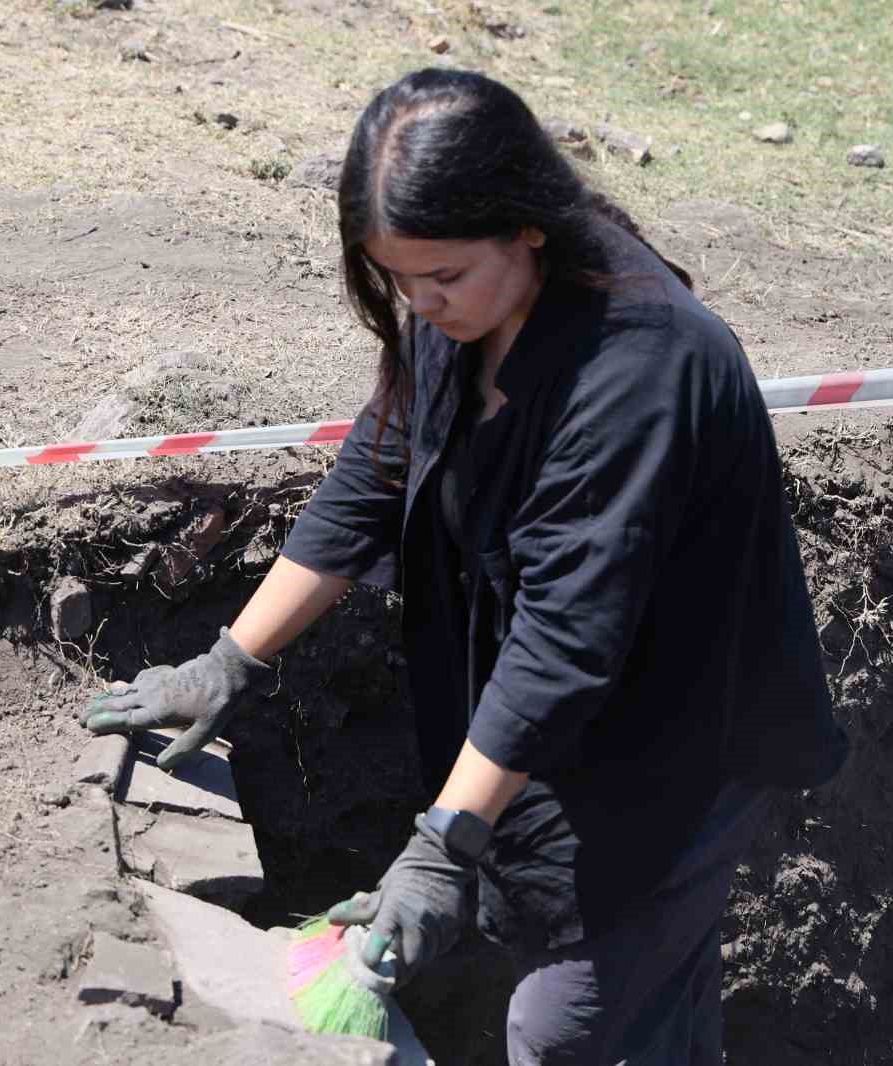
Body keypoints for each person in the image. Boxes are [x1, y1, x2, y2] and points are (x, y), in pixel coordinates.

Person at [79, 68, 847, 1065]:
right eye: (396, 278)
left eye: (440, 277)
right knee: (646, 999)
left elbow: (567, 637)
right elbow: (373, 475)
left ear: (525, 224)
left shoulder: (638, 369)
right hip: (570, 716)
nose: (418, 302)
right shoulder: (465, 312)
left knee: (558, 1026)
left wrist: (443, 845)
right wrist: (229, 663)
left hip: (682, 736)